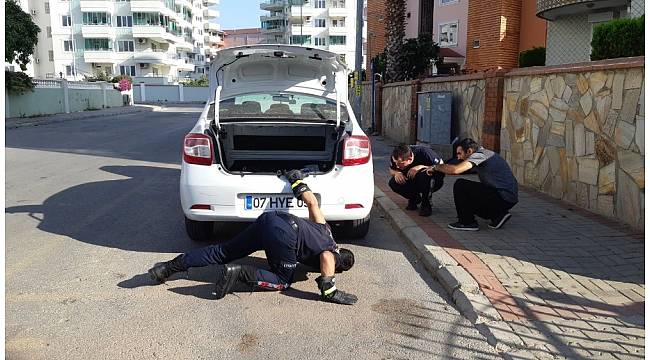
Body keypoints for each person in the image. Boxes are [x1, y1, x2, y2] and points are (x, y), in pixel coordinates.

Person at [148, 170, 358, 305]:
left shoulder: (325, 229)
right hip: (285, 234)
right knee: (283, 281)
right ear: (341, 264)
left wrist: (296, 179)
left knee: (223, 251)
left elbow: (312, 202)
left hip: (272, 219)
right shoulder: (333, 254)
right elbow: (327, 258)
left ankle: (167, 268)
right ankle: (239, 273)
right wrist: (329, 288)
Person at [426, 138, 518, 231]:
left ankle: (467, 222)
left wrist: (435, 167)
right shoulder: (486, 154)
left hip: (503, 196)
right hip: (508, 198)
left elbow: (455, 170)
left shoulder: (480, 155)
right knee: (471, 195)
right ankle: (498, 215)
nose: (458, 157)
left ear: (469, 151)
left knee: (460, 185)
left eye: (459, 153)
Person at [389, 144, 444, 217]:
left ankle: (426, 204)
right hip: (412, 179)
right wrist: (397, 173)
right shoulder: (395, 156)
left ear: (410, 158)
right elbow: (391, 169)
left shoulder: (424, 152)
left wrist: (421, 167)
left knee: (424, 175)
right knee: (393, 182)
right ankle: (414, 198)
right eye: (396, 163)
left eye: (401, 164)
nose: (398, 166)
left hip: (432, 180)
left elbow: (442, 166)